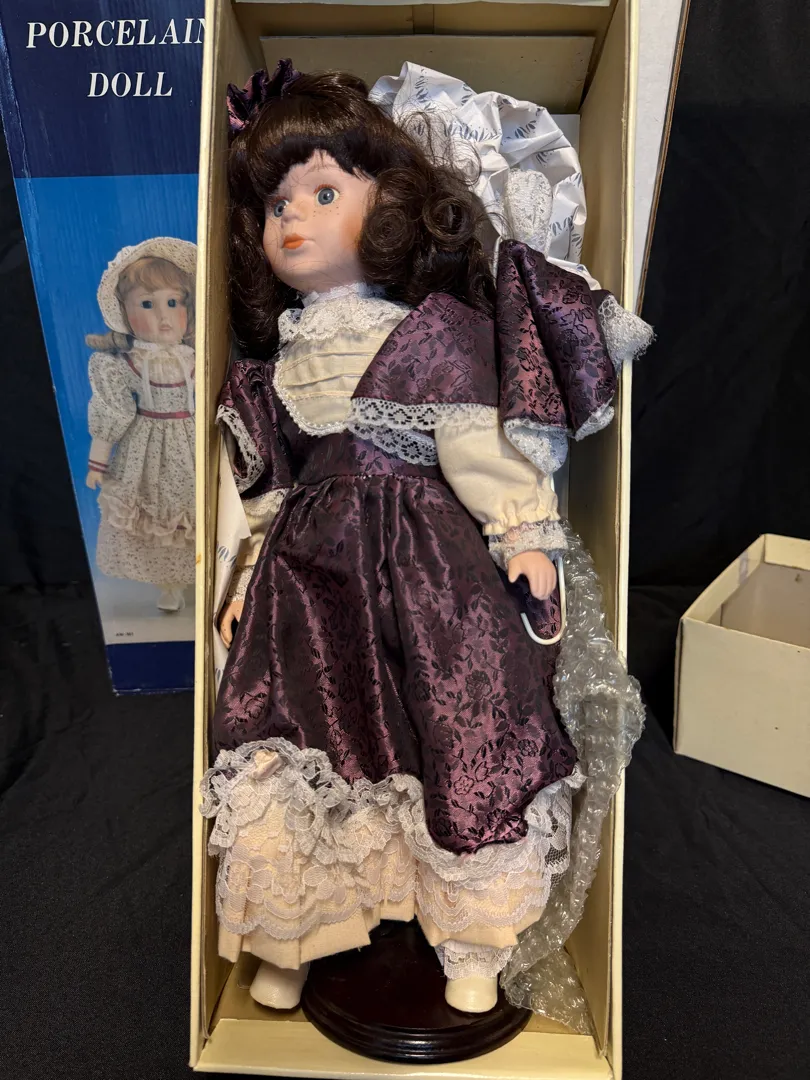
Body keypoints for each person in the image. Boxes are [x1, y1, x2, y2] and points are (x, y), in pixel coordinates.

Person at [201, 62, 647, 1014]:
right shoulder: (271, 369)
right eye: (278, 204)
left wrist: (523, 539)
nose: (295, 218)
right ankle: (298, 928)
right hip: (309, 584)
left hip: (429, 572)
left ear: (392, 206)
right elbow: (269, 493)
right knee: (296, 737)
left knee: (456, 724)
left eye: (325, 192)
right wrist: (244, 579)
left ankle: (471, 939)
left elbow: (476, 451)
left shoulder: (432, 335)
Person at [86, 238, 196, 612]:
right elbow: (112, 411)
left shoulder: (196, 360)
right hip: (145, 450)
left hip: (192, 445)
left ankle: (199, 574)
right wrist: (98, 463)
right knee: (155, 514)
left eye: (173, 302)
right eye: (147, 304)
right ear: (125, 312)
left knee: (191, 510)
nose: (163, 315)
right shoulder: (126, 364)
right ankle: (170, 584)